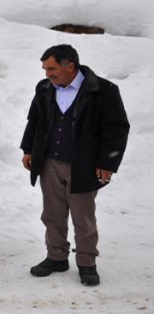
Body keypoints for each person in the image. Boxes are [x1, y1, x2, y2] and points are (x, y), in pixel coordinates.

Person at [20, 44, 130, 286]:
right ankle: (57, 256)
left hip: (84, 165)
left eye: (51, 68)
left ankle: (87, 263)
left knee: (83, 217)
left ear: (70, 66)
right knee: (52, 214)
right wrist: (29, 149)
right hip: (49, 162)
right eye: (45, 69)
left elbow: (116, 129)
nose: (47, 74)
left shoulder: (102, 90)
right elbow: (35, 120)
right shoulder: (45, 88)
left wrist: (107, 162)